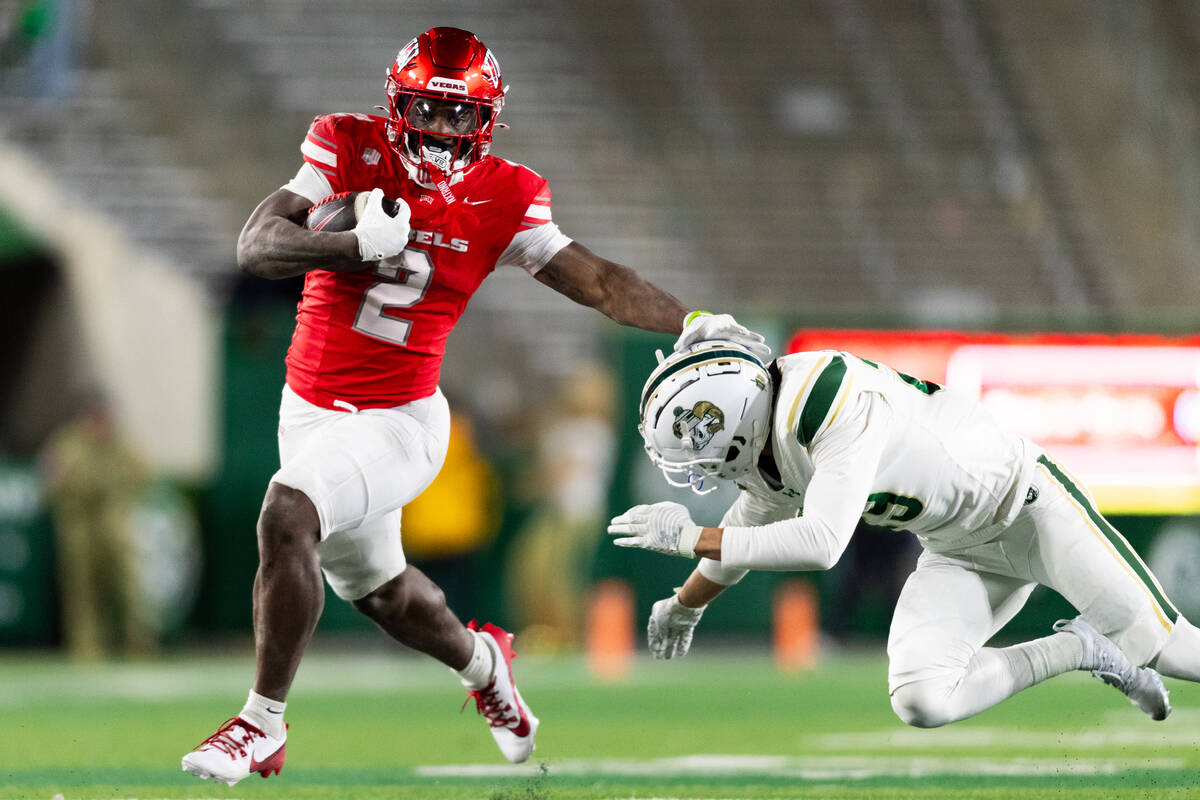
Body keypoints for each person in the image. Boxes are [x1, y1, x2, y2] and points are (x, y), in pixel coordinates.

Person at [181, 25, 767, 787]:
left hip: (399, 420)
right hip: (311, 412)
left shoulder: (507, 194)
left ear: (488, 120)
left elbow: (596, 282)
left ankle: (259, 726)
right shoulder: (345, 144)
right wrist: (350, 246)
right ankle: (484, 662)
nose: (445, 130)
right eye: (430, 109)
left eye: (463, 116)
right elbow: (257, 247)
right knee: (384, 595)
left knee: (287, 511)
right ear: (397, 105)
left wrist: (694, 322)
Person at [609, 341, 1200, 730]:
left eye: (693, 446)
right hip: (957, 551)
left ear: (730, 419)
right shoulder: (765, 437)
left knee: (1173, 651)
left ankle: (1121, 645)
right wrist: (685, 606)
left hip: (1029, 510)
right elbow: (742, 531)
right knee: (923, 698)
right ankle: (1082, 648)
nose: (695, 467)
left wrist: (690, 538)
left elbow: (820, 543)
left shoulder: (828, 402)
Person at [40, 390, 150, 661]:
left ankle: (138, 644)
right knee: (81, 591)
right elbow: (50, 485)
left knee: (127, 586)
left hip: (112, 521)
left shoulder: (121, 444)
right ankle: (85, 649)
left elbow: (142, 476)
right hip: (78, 525)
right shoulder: (66, 444)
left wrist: (122, 503)